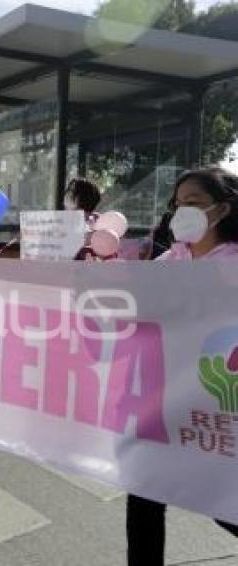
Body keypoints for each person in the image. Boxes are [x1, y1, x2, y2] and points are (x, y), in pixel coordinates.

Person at [126, 167, 238, 565]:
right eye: (177, 204)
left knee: (222, 501)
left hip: (216, 407)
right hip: (161, 400)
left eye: (192, 203)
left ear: (222, 209)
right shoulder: (169, 261)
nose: (180, 211)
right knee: (143, 493)